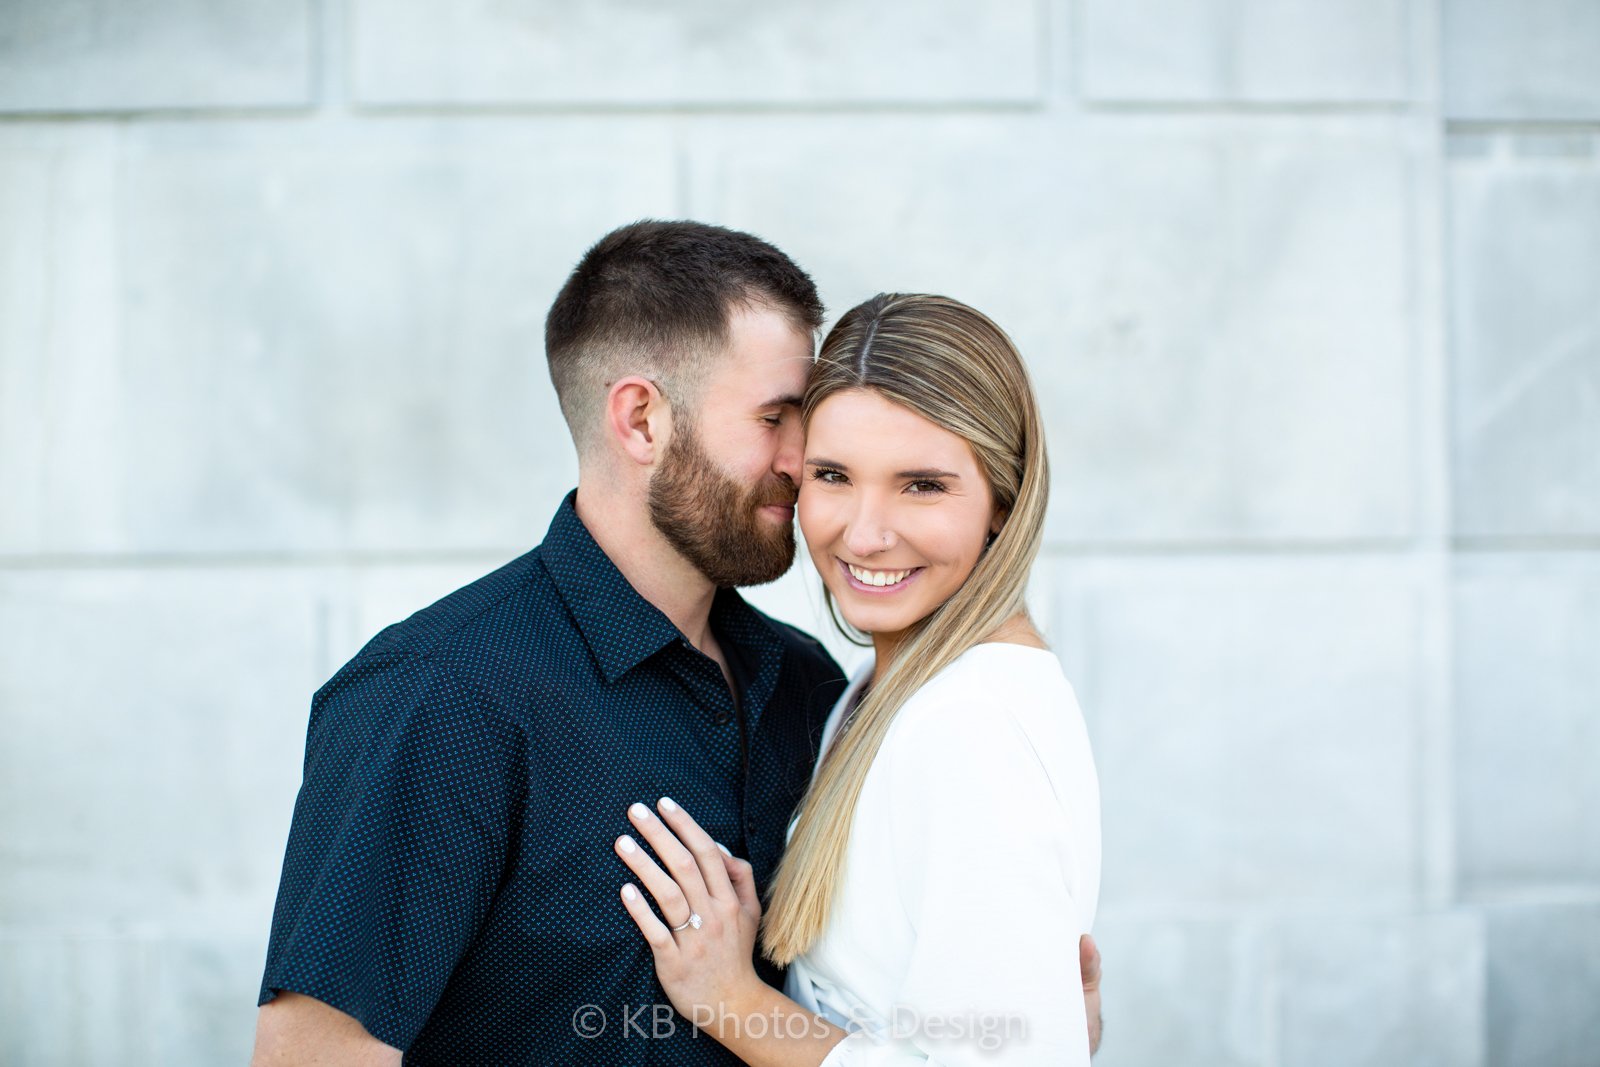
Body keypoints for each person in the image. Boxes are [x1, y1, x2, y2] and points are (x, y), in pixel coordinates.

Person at [249, 222, 1102, 1065]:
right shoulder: (442, 696)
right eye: (777, 418)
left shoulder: (806, 688)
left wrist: (1022, 1021)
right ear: (643, 420)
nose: (803, 460)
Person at [611, 294, 1102, 1065]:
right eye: (833, 475)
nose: (865, 532)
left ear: (1002, 501)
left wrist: (732, 1001)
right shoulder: (886, 689)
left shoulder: (967, 725)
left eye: (922, 485)